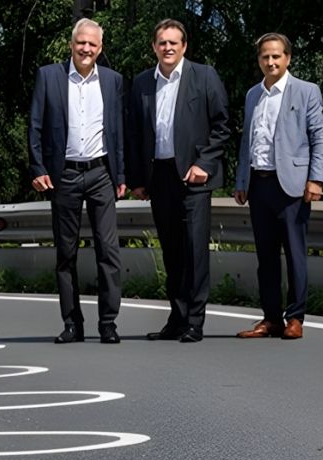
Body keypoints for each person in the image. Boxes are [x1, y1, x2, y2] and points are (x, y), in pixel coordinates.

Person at [126, 18, 229, 343]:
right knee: (171, 251)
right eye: (162, 43)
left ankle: (195, 322)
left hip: (194, 176)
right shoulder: (143, 82)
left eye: (174, 43)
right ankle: (177, 317)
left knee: (195, 249)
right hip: (160, 176)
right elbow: (135, 133)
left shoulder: (204, 76)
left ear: (184, 46)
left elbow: (222, 125)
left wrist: (204, 164)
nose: (167, 48)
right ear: (154, 47)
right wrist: (137, 178)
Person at [28, 18, 126, 344]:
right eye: (81, 42)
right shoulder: (49, 76)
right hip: (63, 175)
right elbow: (36, 127)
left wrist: (121, 174)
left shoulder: (113, 81)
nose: (86, 49)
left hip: (101, 173)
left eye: (92, 44)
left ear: (100, 49)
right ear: (72, 44)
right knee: (66, 254)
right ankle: (72, 324)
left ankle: (108, 324)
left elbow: (118, 132)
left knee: (108, 251)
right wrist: (38, 168)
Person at [233, 32, 323, 340]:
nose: (271, 61)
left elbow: (319, 137)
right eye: (265, 56)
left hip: (292, 186)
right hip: (259, 184)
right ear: (259, 60)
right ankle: (271, 318)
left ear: (288, 58)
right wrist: (241, 180)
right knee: (266, 257)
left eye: (276, 56)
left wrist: (316, 178)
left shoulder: (306, 91)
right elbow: (247, 142)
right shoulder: (253, 95)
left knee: (295, 254)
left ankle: (296, 317)